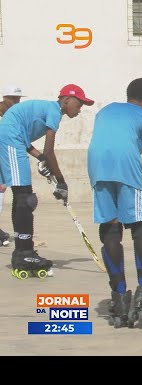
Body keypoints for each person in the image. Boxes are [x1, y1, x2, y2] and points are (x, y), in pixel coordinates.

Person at [87, 77, 142, 329]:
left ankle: (119, 297)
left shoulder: (105, 111)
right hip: (126, 167)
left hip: (97, 167)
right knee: (141, 228)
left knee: (111, 229)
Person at [0, 83, 93, 278]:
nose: (80, 107)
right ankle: (25, 252)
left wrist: (41, 159)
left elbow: (32, 146)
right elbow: (49, 150)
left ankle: (21, 250)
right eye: (79, 103)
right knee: (25, 198)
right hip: (10, 139)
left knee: (22, 198)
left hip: (14, 139)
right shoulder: (54, 112)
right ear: (66, 100)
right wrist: (61, 181)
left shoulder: (45, 109)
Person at [0, 84, 26, 246]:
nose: (16, 103)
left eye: (18, 100)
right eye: (14, 99)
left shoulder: (9, 117)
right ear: (5, 98)